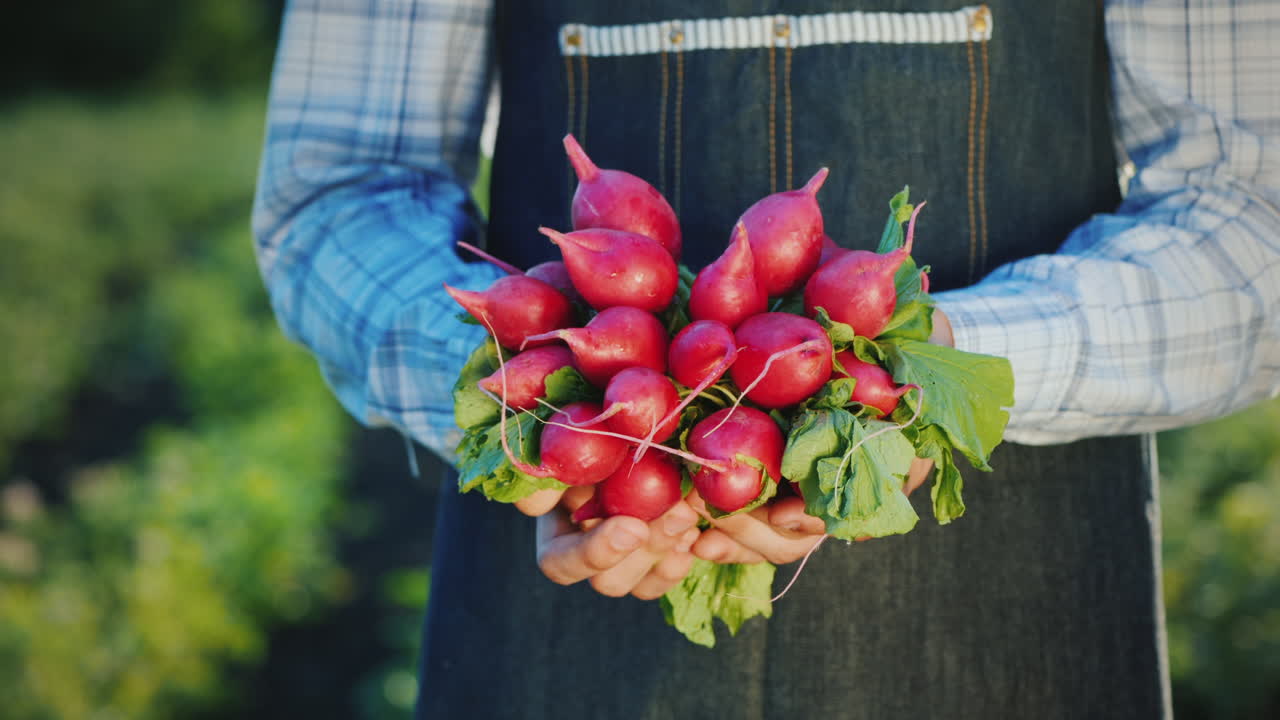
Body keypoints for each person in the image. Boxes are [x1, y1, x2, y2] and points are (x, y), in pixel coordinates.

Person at [252, 1, 1280, 717]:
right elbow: (339, 189)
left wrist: (927, 374)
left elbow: (1254, 225)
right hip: (568, 595)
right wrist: (535, 409)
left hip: (1020, 633)